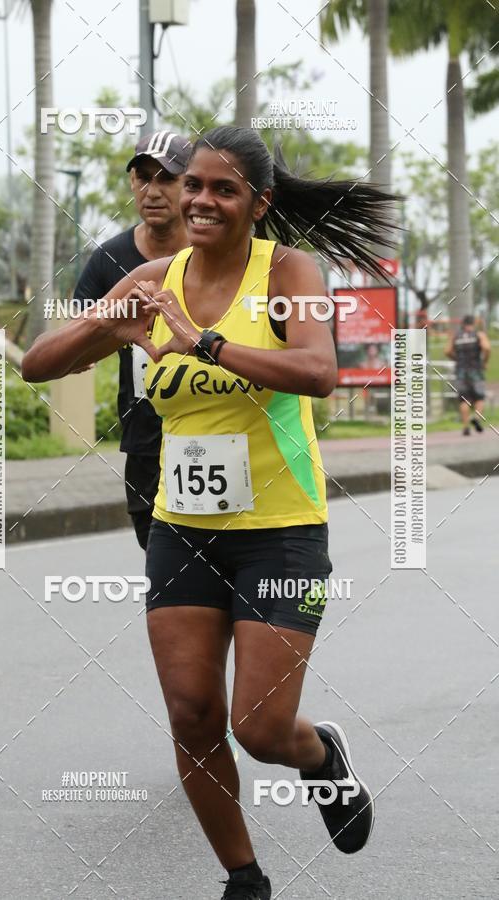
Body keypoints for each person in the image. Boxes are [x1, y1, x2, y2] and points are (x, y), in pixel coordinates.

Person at [23, 125, 399, 899]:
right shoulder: (151, 278)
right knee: (194, 714)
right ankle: (244, 878)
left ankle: (321, 755)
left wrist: (203, 343)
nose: (199, 199)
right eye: (193, 183)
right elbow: (36, 366)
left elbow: (319, 371)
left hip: (282, 531)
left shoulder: (289, 269)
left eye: (222, 189)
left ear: (258, 204)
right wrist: (108, 325)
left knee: (260, 729)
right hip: (182, 531)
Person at [73, 131, 192, 548]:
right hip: (144, 438)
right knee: (164, 573)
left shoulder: (216, 252)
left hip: (215, 430)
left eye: (167, 179)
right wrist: (88, 345)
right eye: (143, 178)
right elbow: (79, 331)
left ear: (189, 185)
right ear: (131, 184)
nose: (152, 191)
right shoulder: (109, 258)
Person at [445, 314, 491, 436]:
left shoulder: (456, 336)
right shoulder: (478, 334)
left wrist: (456, 359)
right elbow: (487, 348)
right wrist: (485, 362)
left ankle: (465, 427)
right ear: (473, 324)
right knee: (479, 398)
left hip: (461, 371)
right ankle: (476, 418)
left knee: (463, 399)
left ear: (463, 324)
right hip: (476, 370)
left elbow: (447, 351)